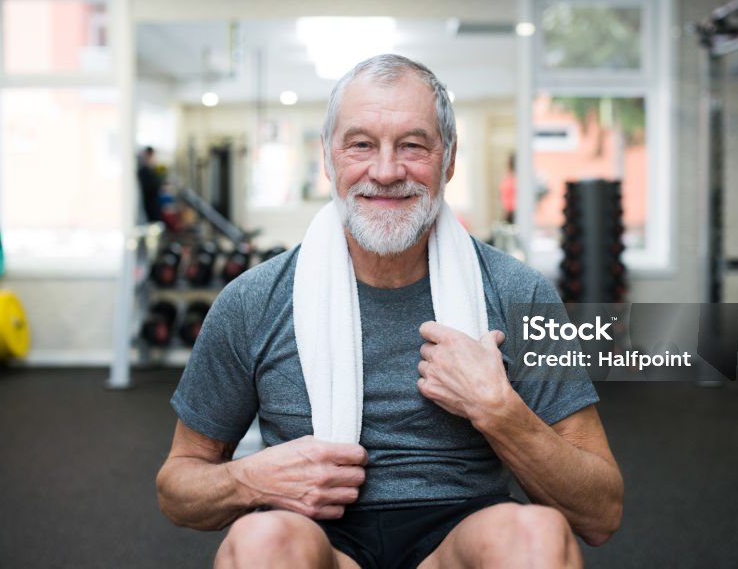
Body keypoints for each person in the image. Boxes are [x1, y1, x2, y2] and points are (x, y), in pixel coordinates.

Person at [156, 55, 623, 569]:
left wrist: (499, 410)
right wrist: (250, 478)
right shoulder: (254, 301)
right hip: (317, 540)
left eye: (412, 145)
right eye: (360, 145)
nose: (385, 171)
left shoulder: (518, 293)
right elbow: (178, 488)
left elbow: (599, 513)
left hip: (462, 539)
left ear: (448, 159)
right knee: (261, 542)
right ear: (328, 158)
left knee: (536, 534)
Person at [138, 146, 163, 223]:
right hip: (150, 204)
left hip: (155, 202)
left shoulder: (152, 169)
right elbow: (151, 186)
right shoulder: (143, 171)